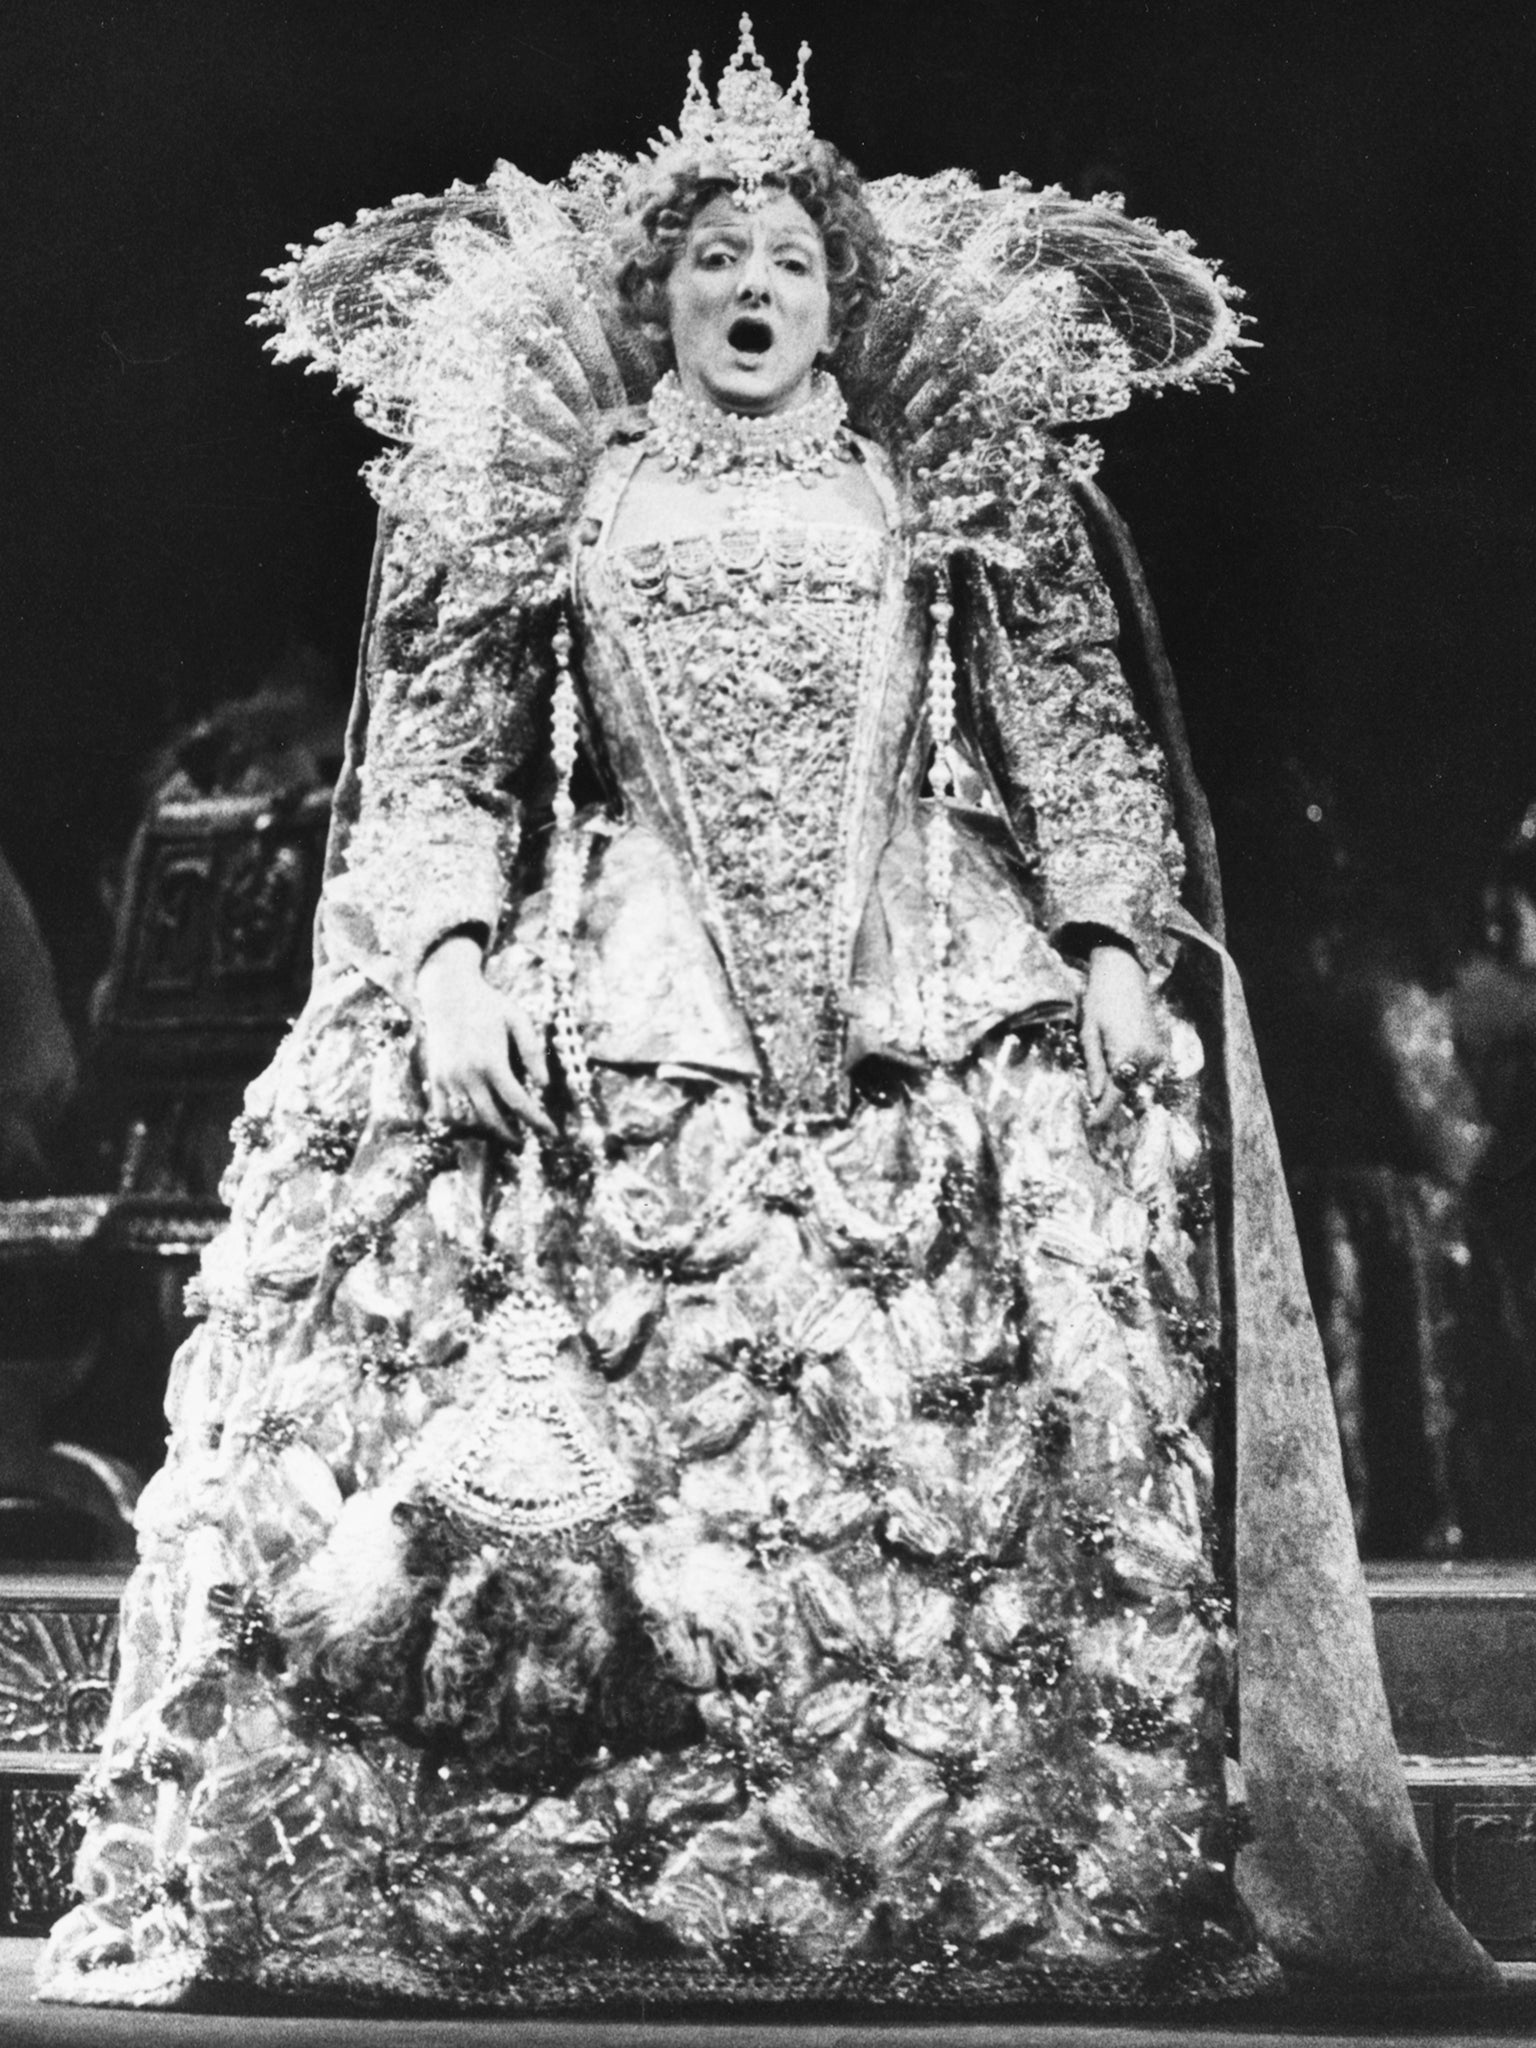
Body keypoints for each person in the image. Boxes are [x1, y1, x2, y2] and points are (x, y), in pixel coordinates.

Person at [40, 20, 1495, 2013]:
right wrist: (452, 964)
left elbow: (1068, 720)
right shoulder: (569, 476)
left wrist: (1108, 947)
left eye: (790, 261)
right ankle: (571, 1854)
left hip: (923, 981)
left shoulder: (937, 481)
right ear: (659, 297)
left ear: (842, 295)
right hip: (620, 988)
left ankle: (943, 1854)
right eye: (716, 258)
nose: (752, 286)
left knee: (982, 1398)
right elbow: (445, 750)